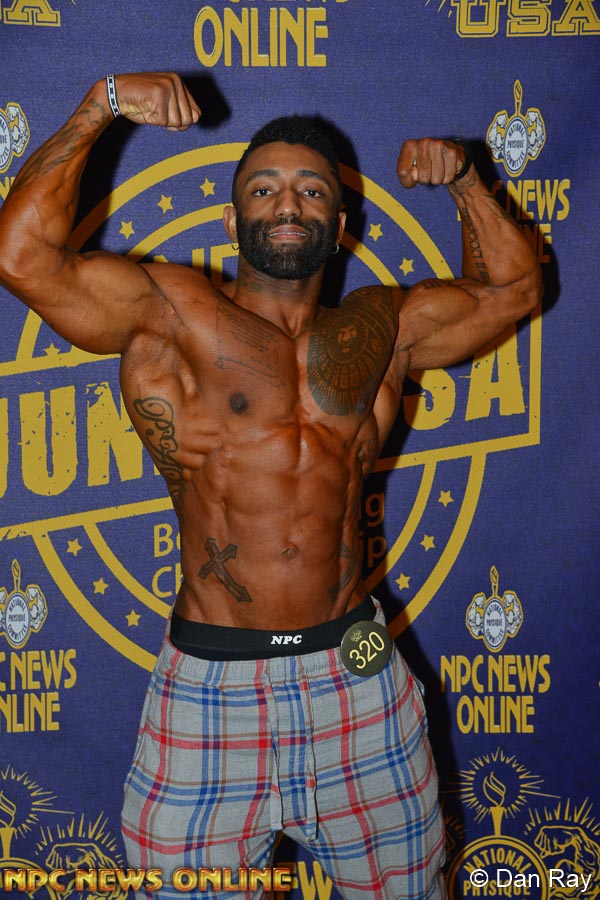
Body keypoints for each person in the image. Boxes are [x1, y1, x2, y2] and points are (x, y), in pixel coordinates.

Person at [0, 72, 542, 899]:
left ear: (340, 224)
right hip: (210, 689)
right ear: (231, 220)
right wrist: (100, 103)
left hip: (357, 678)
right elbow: (21, 256)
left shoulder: (380, 331)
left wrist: (467, 178)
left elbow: (514, 289)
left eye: (312, 189)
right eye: (264, 188)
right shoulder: (169, 314)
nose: (288, 201)